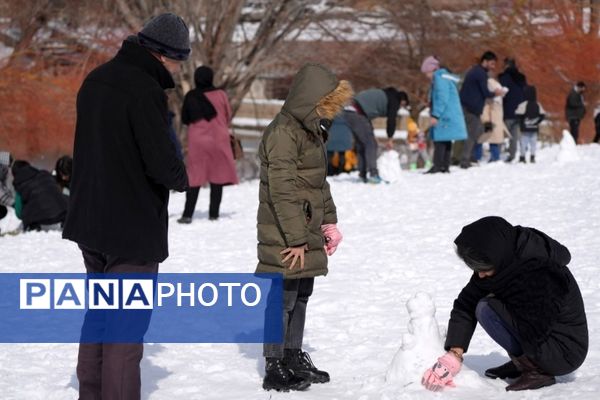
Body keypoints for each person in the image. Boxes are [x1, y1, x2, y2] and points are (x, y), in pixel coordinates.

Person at [62, 13, 189, 400]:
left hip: (90, 220)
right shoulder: (145, 91)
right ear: (164, 55)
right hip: (130, 228)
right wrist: (181, 175)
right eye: (177, 61)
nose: (177, 69)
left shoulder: (95, 80)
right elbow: (163, 164)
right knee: (125, 332)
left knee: (98, 318)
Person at [256, 63, 351, 391]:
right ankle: (274, 363)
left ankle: (293, 355)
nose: (329, 111)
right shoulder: (283, 133)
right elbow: (282, 190)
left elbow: (317, 184)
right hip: (285, 230)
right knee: (283, 297)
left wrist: (329, 221)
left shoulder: (311, 131)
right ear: (310, 98)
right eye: (325, 103)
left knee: (302, 294)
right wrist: (296, 238)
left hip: (306, 224)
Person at [422, 216, 587, 392]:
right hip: (540, 342)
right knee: (484, 303)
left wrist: (499, 294)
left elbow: (534, 326)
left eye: (483, 270)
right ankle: (524, 363)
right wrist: (455, 353)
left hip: (563, 351)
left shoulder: (541, 272)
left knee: (488, 308)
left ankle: (536, 371)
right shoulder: (502, 258)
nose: (480, 276)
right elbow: (466, 303)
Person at [177, 66, 238, 223]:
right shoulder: (221, 94)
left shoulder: (191, 96)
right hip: (219, 139)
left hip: (198, 141)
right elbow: (227, 116)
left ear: (196, 79)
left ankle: (187, 215)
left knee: (195, 176)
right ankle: (214, 214)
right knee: (217, 176)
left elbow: (185, 118)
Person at [345, 87, 408, 183]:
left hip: (349, 110)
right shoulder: (394, 99)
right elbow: (391, 120)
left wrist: (372, 132)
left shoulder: (386, 94)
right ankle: (373, 174)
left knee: (362, 144)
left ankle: (362, 174)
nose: (400, 108)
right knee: (371, 144)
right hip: (357, 112)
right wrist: (390, 139)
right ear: (402, 100)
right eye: (403, 105)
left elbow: (366, 116)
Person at [420, 56, 467, 173]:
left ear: (432, 70)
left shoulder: (439, 78)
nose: (426, 76)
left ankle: (437, 166)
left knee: (439, 140)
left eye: (426, 73)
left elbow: (442, 98)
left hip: (444, 115)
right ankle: (444, 166)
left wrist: (435, 114)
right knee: (446, 140)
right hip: (450, 113)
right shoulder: (444, 77)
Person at [459, 51, 505, 168]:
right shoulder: (480, 74)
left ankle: (471, 156)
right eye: (492, 64)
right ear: (484, 62)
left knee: (478, 130)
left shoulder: (476, 71)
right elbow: (485, 92)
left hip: (472, 107)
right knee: (472, 133)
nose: (493, 67)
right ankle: (465, 160)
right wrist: (496, 93)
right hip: (470, 107)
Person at [12, 160, 68, 231]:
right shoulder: (45, 174)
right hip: (62, 212)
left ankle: (33, 226)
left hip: (40, 219)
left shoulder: (19, 183)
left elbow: (18, 212)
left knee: (27, 207)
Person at [498, 58, 527, 162]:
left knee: (500, 133)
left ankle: (496, 154)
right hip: (520, 110)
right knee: (514, 135)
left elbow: (502, 93)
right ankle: (512, 154)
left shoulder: (505, 77)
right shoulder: (521, 78)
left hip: (507, 109)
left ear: (506, 65)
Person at [475, 78, 509, 162]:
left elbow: (485, 111)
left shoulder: (489, 98)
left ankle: (478, 157)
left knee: (481, 138)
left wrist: (484, 119)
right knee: (493, 140)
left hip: (489, 121)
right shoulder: (499, 99)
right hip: (495, 121)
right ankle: (495, 157)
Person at [515, 85, 545, 163]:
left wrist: (521, 121)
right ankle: (532, 157)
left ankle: (522, 157)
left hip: (525, 128)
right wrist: (537, 121)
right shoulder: (538, 104)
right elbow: (542, 115)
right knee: (533, 144)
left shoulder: (524, 104)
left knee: (523, 143)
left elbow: (517, 113)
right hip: (534, 128)